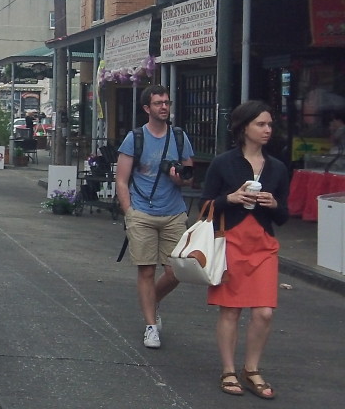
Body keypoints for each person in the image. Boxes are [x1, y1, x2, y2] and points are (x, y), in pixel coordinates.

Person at [201, 100, 289, 399]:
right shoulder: (223, 163)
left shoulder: (277, 168)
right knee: (231, 311)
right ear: (244, 128)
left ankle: (251, 369)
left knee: (264, 312)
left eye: (269, 125)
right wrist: (231, 198)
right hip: (232, 243)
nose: (267, 130)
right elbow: (204, 207)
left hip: (263, 245)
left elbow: (283, 215)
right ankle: (228, 370)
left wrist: (275, 204)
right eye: (261, 124)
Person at [114, 85, 195, 349]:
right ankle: (151, 326)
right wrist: (130, 213)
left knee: (176, 271)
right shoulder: (135, 138)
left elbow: (190, 177)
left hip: (173, 213)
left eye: (167, 103)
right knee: (146, 270)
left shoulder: (180, 137)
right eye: (159, 103)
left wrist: (179, 178)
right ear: (147, 109)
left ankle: (152, 300)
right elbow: (122, 180)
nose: (164, 107)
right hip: (142, 213)